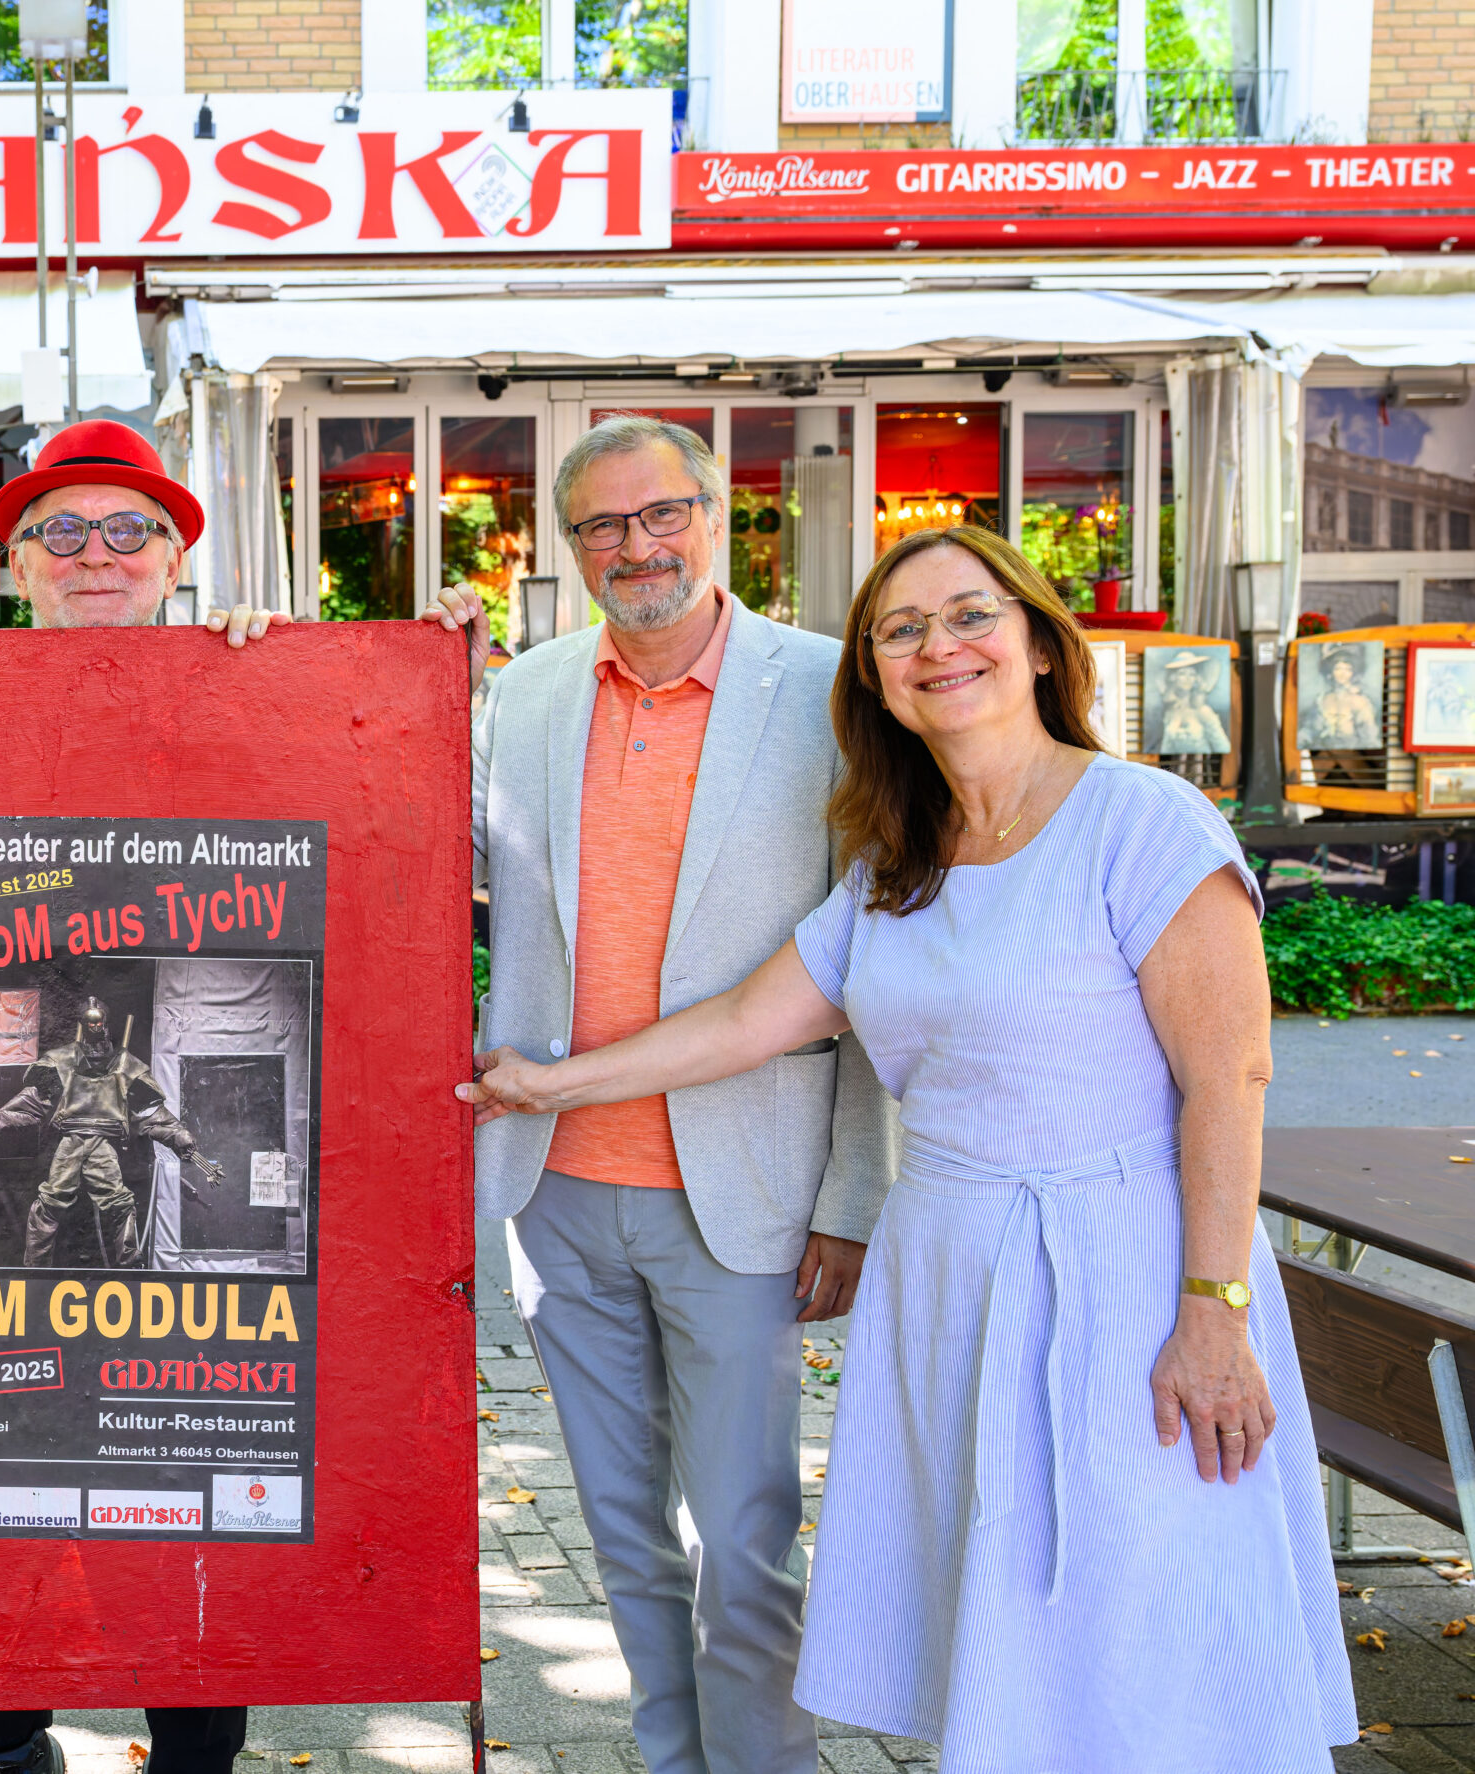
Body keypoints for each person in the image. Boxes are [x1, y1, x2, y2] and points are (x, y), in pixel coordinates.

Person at [461, 524, 1353, 1768]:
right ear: (872, 678)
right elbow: (741, 1022)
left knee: (1142, 1615)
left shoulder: (1144, 822)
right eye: (901, 629)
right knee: (993, 1612)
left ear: (1038, 643)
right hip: (949, 1275)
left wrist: (1215, 1309)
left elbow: (1229, 1082)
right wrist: (551, 1084)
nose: (940, 646)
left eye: (970, 614)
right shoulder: (900, 859)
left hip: (1118, 1271)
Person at [422, 412, 895, 1774]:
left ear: (718, 513)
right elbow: (393, 829)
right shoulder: (525, 695)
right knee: (626, 1540)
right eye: (603, 526)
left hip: (743, 1196)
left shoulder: (828, 691)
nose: (636, 544)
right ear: (568, 549)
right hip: (557, 1189)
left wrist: (856, 1192)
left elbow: (874, 956)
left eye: (660, 512)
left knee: (741, 1543)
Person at [0, 418, 282, 1774]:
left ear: (176, 557)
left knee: (183, 1458)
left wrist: (353, 670)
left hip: (186, 1097)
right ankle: (4, 1734)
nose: (95, 554)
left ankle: (196, 1742)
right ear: (14, 560)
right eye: (61, 530)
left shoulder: (247, 690)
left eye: (128, 529)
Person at [0, 995, 228, 1266]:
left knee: (118, 1202)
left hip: (101, 1142)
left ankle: (129, 1261)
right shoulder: (61, 1062)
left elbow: (156, 1118)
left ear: (106, 1025)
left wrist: (191, 1151)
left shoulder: (126, 1066)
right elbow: (22, 1107)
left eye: (99, 1023)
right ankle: (34, 1267)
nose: (95, 1029)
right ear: (83, 1025)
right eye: (89, 1023)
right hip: (71, 1138)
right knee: (50, 1202)